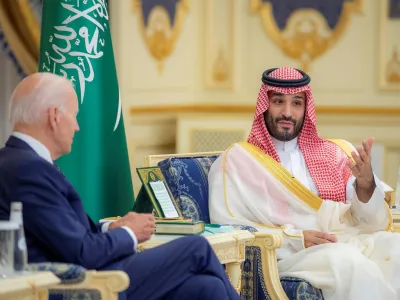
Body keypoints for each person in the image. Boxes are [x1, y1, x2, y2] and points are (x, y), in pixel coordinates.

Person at [0, 72, 241, 300]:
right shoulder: (27, 169)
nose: (77, 126)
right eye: (74, 115)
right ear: (54, 116)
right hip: (82, 284)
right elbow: (81, 253)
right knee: (197, 248)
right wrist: (129, 233)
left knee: (207, 288)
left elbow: (63, 232)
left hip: (88, 272)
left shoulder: (21, 161)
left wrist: (111, 228)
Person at [208, 66, 400, 299]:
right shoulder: (238, 161)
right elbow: (227, 226)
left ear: (305, 108)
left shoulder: (334, 153)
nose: (287, 112)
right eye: (279, 101)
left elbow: (369, 221)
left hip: (346, 239)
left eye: (297, 103)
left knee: (396, 250)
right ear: (264, 105)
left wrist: (366, 184)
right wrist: (296, 239)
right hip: (288, 254)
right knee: (348, 264)